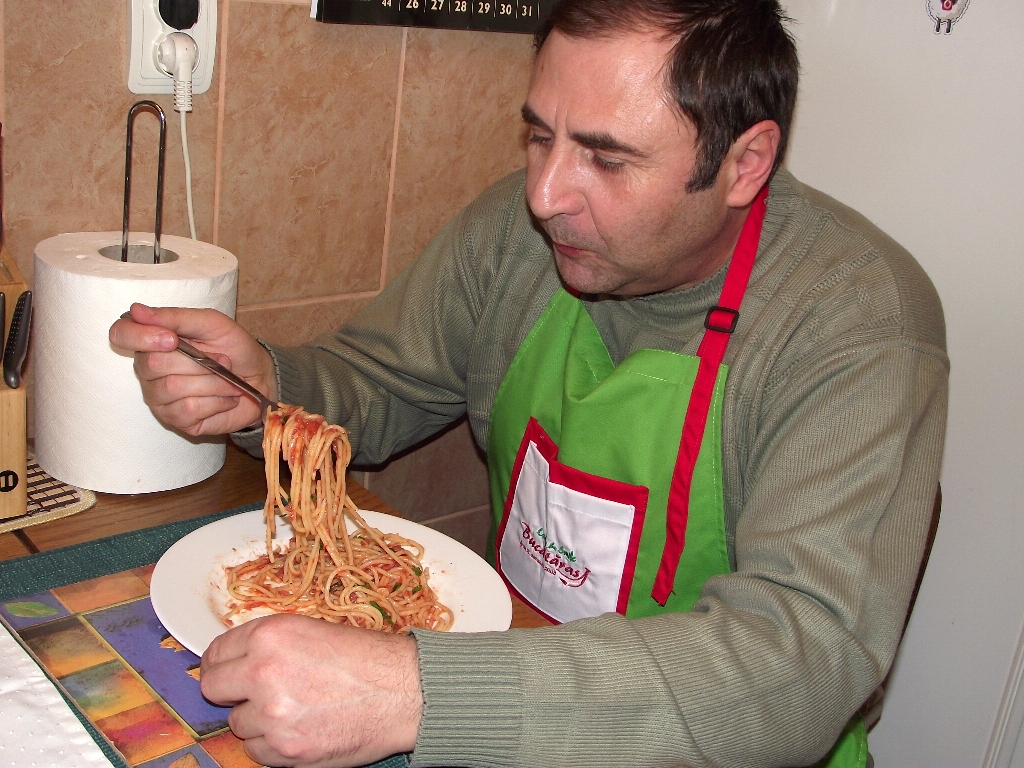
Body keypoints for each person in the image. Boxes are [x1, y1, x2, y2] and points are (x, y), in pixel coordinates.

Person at [109, 1, 948, 766]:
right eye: (541, 136)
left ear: (745, 163)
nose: (546, 197)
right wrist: (267, 386)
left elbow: (800, 665)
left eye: (607, 160)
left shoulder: (857, 319)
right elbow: (376, 383)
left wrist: (414, 692)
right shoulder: (514, 238)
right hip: (512, 710)